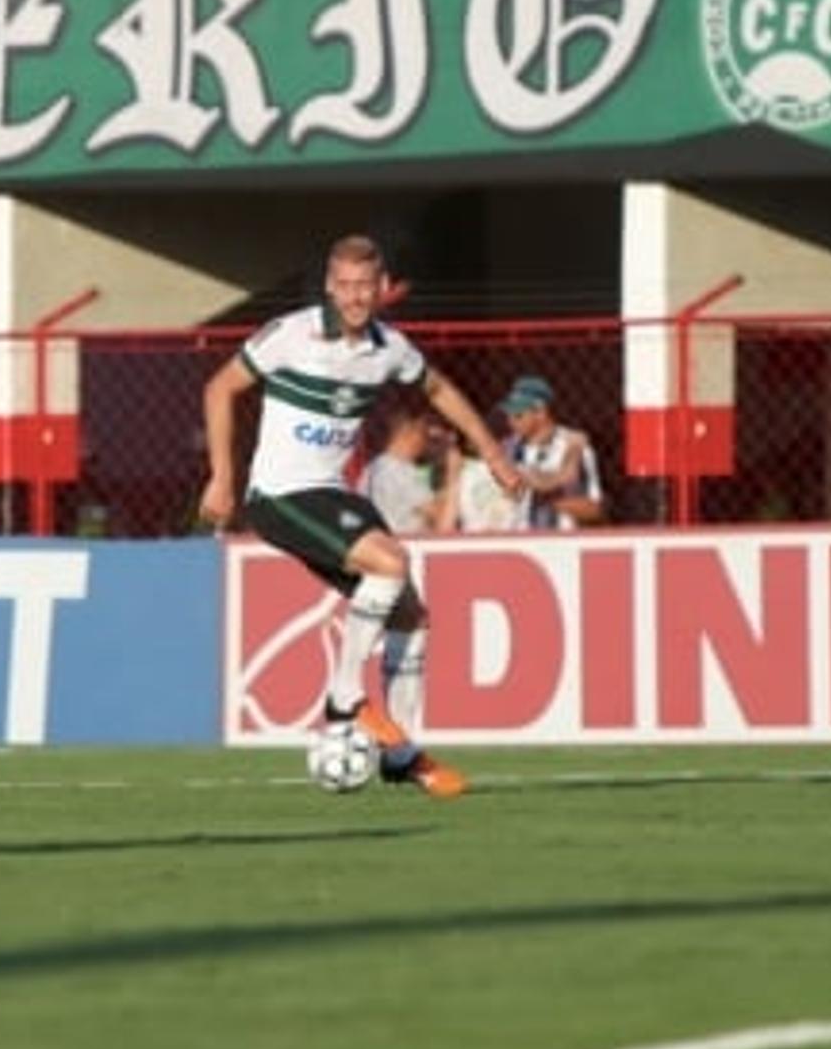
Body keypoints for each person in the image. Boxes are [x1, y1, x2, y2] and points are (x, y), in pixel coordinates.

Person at [200, 235, 522, 798]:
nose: (353, 298)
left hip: (330, 492)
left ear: (381, 286)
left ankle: (401, 755)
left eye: (363, 287)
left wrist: (491, 452)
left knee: (410, 616)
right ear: (329, 285)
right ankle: (346, 694)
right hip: (279, 495)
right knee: (391, 561)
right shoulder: (290, 336)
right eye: (343, 286)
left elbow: (439, 387)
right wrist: (223, 477)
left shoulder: (389, 348)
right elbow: (220, 387)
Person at [497, 374, 606, 529]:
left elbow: (595, 509)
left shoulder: (574, 445)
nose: (510, 421)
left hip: (559, 542)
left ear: (541, 412)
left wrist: (547, 500)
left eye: (518, 415)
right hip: (516, 539)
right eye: (508, 414)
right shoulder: (508, 448)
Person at [357, 408, 445, 534]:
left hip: (382, 543)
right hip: (409, 545)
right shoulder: (402, 471)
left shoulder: (370, 469)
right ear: (411, 432)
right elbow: (440, 515)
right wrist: (453, 474)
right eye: (424, 433)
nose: (426, 441)